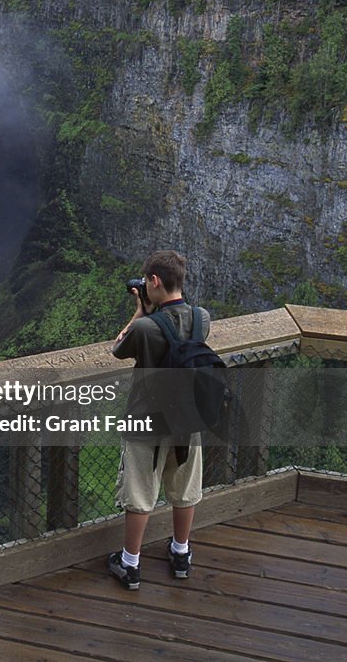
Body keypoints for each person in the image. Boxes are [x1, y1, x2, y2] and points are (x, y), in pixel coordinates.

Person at [108, 249, 209, 590]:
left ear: (153, 281)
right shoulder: (202, 318)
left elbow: (117, 348)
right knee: (184, 488)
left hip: (147, 422)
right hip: (187, 418)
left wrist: (139, 312)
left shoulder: (146, 328)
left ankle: (130, 563)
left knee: (140, 492)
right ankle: (181, 553)